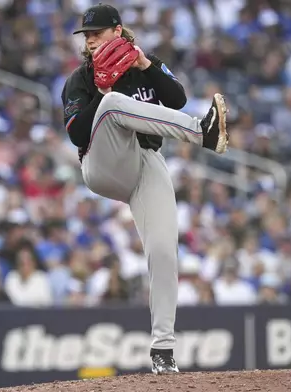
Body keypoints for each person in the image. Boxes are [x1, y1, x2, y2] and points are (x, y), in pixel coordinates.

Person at [61, 3, 229, 374]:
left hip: (146, 164)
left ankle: (163, 351)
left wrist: (145, 66)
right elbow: (75, 131)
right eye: (86, 35)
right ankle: (203, 132)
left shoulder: (143, 64)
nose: (90, 40)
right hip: (103, 163)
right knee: (114, 102)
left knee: (164, 251)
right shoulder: (81, 78)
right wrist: (102, 90)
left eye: (97, 33)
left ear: (117, 32)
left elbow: (177, 98)